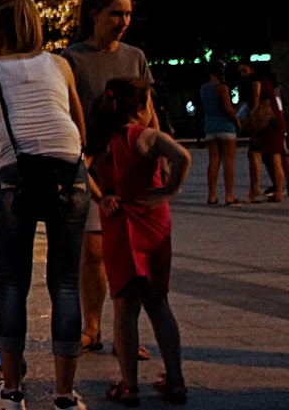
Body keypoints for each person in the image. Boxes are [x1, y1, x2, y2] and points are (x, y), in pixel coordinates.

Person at [0, 0, 89, 410]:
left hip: (16, 176)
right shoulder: (62, 65)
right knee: (65, 282)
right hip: (69, 173)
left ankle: (12, 391)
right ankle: (65, 395)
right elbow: (81, 131)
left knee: (13, 282)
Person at [61, 0, 154, 357]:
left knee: (131, 251)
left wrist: (157, 149)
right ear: (94, 14)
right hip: (93, 165)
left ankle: (126, 333)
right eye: (116, 13)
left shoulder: (135, 57)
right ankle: (92, 327)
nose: (123, 22)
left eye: (128, 14)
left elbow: (149, 109)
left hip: (130, 165)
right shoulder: (71, 59)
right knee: (94, 251)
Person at [87, 77, 191, 406]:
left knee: (124, 307)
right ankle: (175, 380)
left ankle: (129, 385)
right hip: (153, 219)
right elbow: (183, 157)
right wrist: (168, 191)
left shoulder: (100, 141)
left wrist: (101, 198)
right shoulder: (147, 137)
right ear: (142, 108)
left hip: (118, 223)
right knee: (158, 302)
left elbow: (77, 168)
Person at [198, 64, 241, 204]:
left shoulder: (203, 89)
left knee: (213, 160)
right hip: (226, 126)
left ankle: (212, 195)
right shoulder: (222, 88)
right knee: (228, 160)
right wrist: (237, 121)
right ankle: (229, 195)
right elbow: (228, 108)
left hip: (210, 126)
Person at [244, 69, 289, 203]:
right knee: (276, 157)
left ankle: (254, 190)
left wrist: (252, 117)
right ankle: (279, 192)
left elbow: (256, 98)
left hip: (264, 121)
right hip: (277, 120)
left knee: (254, 154)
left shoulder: (257, 82)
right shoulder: (271, 84)